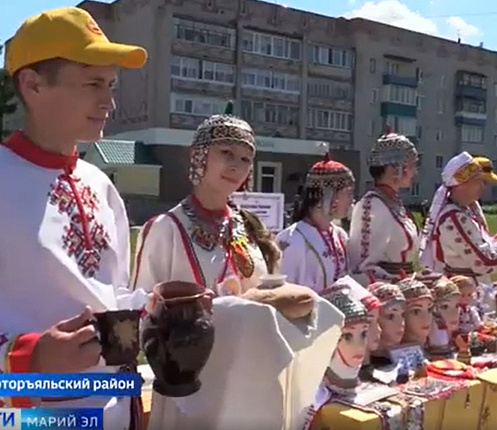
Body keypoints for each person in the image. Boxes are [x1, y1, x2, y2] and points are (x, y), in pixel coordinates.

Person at [131, 103, 343, 430]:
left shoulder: (248, 228)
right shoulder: (166, 228)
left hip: (252, 379)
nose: (236, 165)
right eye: (226, 153)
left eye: (245, 158)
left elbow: (270, 292)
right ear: (199, 157)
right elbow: (143, 311)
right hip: (193, 384)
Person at [0, 7, 148, 429]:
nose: (109, 100)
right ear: (32, 84)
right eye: (92, 83)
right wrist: (31, 356)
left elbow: (113, 294)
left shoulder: (101, 184)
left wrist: (155, 314)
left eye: (112, 84)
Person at [419, 152, 497, 311]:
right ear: (461, 184)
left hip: (473, 293)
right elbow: (485, 262)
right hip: (464, 299)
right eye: (479, 182)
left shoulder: (464, 213)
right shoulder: (453, 218)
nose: (484, 187)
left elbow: (483, 250)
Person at [347, 129, 419, 286]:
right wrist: (398, 282)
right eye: (412, 166)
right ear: (394, 168)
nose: (415, 172)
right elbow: (362, 266)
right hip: (386, 295)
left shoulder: (393, 202)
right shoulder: (372, 206)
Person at [276, 153, 355, 292]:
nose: (352, 200)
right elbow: (284, 292)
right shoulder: (293, 239)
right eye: (348, 193)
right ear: (330, 195)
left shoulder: (339, 235)